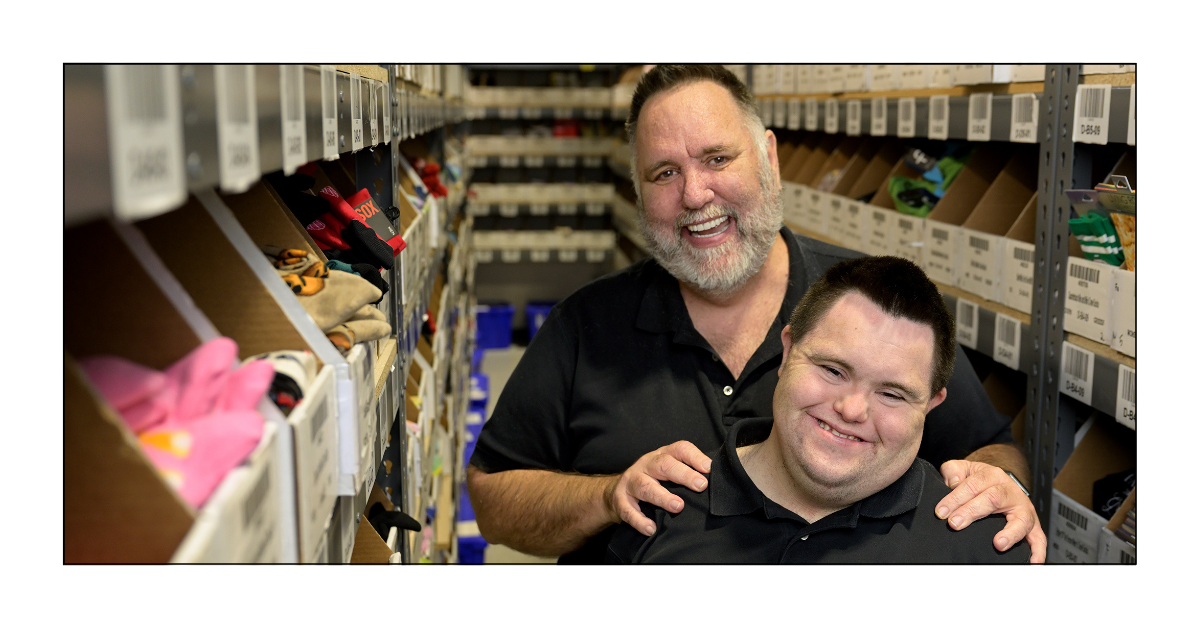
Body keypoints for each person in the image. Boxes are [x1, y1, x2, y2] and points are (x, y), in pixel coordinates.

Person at [467, 64, 1046, 564]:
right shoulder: (583, 325)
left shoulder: (867, 305)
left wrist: (1002, 485)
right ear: (639, 193)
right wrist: (606, 496)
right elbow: (493, 501)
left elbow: (987, 446)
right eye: (664, 173)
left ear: (768, 157)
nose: (695, 194)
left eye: (717, 158)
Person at [606, 256, 1031, 563]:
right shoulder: (663, 509)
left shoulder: (984, 548)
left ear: (931, 404)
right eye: (833, 370)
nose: (852, 409)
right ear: (787, 350)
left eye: (892, 394)